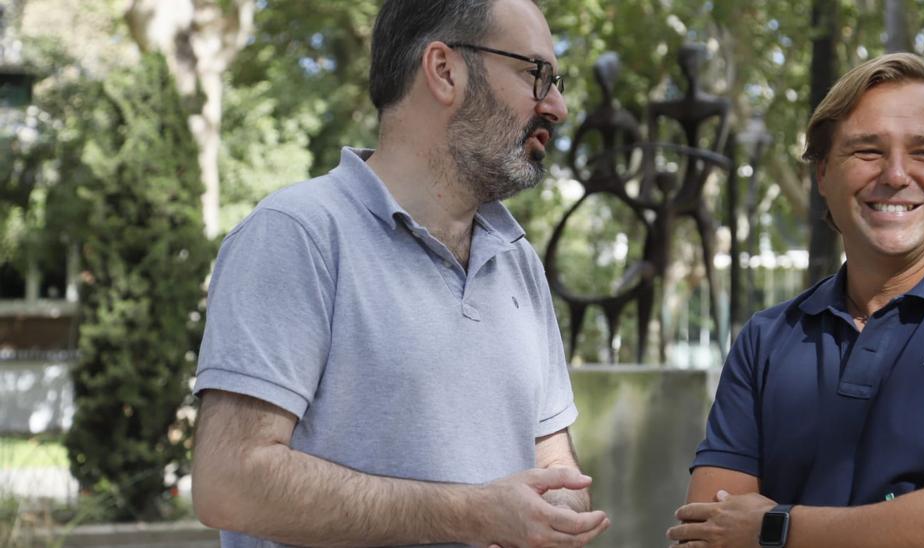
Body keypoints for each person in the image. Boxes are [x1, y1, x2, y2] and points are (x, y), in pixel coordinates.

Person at [189, 1, 610, 546]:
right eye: (536, 74)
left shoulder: (516, 257)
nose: (557, 105)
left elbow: (556, 464)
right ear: (444, 70)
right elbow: (230, 481)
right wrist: (472, 514)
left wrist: (558, 513)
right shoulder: (297, 234)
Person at [667, 52, 924, 547]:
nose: (895, 174)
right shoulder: (767, 338)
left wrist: (773, 527)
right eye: (867, 151)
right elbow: (705, 535)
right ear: (823, 175)